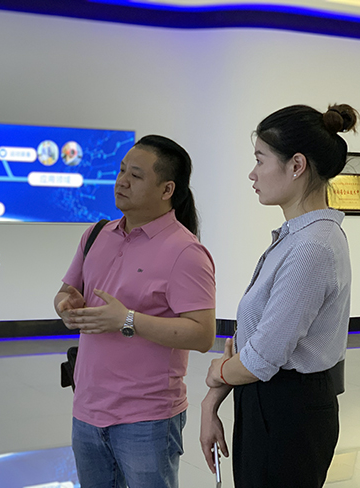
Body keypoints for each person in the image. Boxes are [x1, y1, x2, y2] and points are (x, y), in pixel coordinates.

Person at [200, 104, 358, 488]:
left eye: (260, 160)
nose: (252, 173)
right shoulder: (299, 237)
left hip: (288, 417)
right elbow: (255, 343)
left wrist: (218, 372)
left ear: (296, 165)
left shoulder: (311, 247)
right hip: (272, 407)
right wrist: (212, 400)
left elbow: (261, 358)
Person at [55, 135, 216, 488]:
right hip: (87, 408)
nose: (122, 181)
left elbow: (203, 335)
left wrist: (126, 320)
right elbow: (67, 292)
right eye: (121, 170)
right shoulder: (96, 234)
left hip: (147, 418)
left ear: (167, 189)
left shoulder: (185, 252)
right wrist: (66, 306)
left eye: (136, 175)